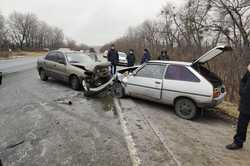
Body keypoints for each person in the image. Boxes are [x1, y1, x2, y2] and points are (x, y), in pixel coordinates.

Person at [226, 64, 250, 150]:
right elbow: (243, 81)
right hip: (246, 103)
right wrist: (242, 91)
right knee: (241, 125)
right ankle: (238, 142)